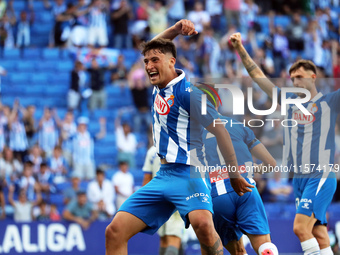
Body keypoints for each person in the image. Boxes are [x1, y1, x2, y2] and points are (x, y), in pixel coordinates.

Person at [105, 20, 253, 255]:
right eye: (146, 62)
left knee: (204, 226)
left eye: (154, 61)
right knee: (114, 231)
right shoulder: (159, 87)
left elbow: (221, 131)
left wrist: (234, 175)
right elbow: (154, 47)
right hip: (163, 176)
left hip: (189, 173)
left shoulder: (189, 94)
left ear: (171, 62)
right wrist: (174, 30)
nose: (148, 66)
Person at [230, 32, 338, 255]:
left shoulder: (329, 102)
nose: (295, 81)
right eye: (292, 78)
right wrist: (241, 48)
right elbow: (259, 77)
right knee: (318, 234)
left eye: (299, 77)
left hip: (320, 174)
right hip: (299, 179)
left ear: (313, 77)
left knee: (299, 228)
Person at [199, 83, 279, 255]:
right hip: (246, 188)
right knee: (264, 245)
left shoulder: (191, 134)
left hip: (216, 195)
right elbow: (271, 163)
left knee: (238, 251)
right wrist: (253, 169)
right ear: (217, 104)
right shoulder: (237, 125)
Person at [142, 144, 184, 255]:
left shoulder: (151, 151)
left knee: (164, 239)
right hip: (176, 199)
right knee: (174, 239)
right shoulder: (179, 147)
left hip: (158, 202)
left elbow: (146, 180)